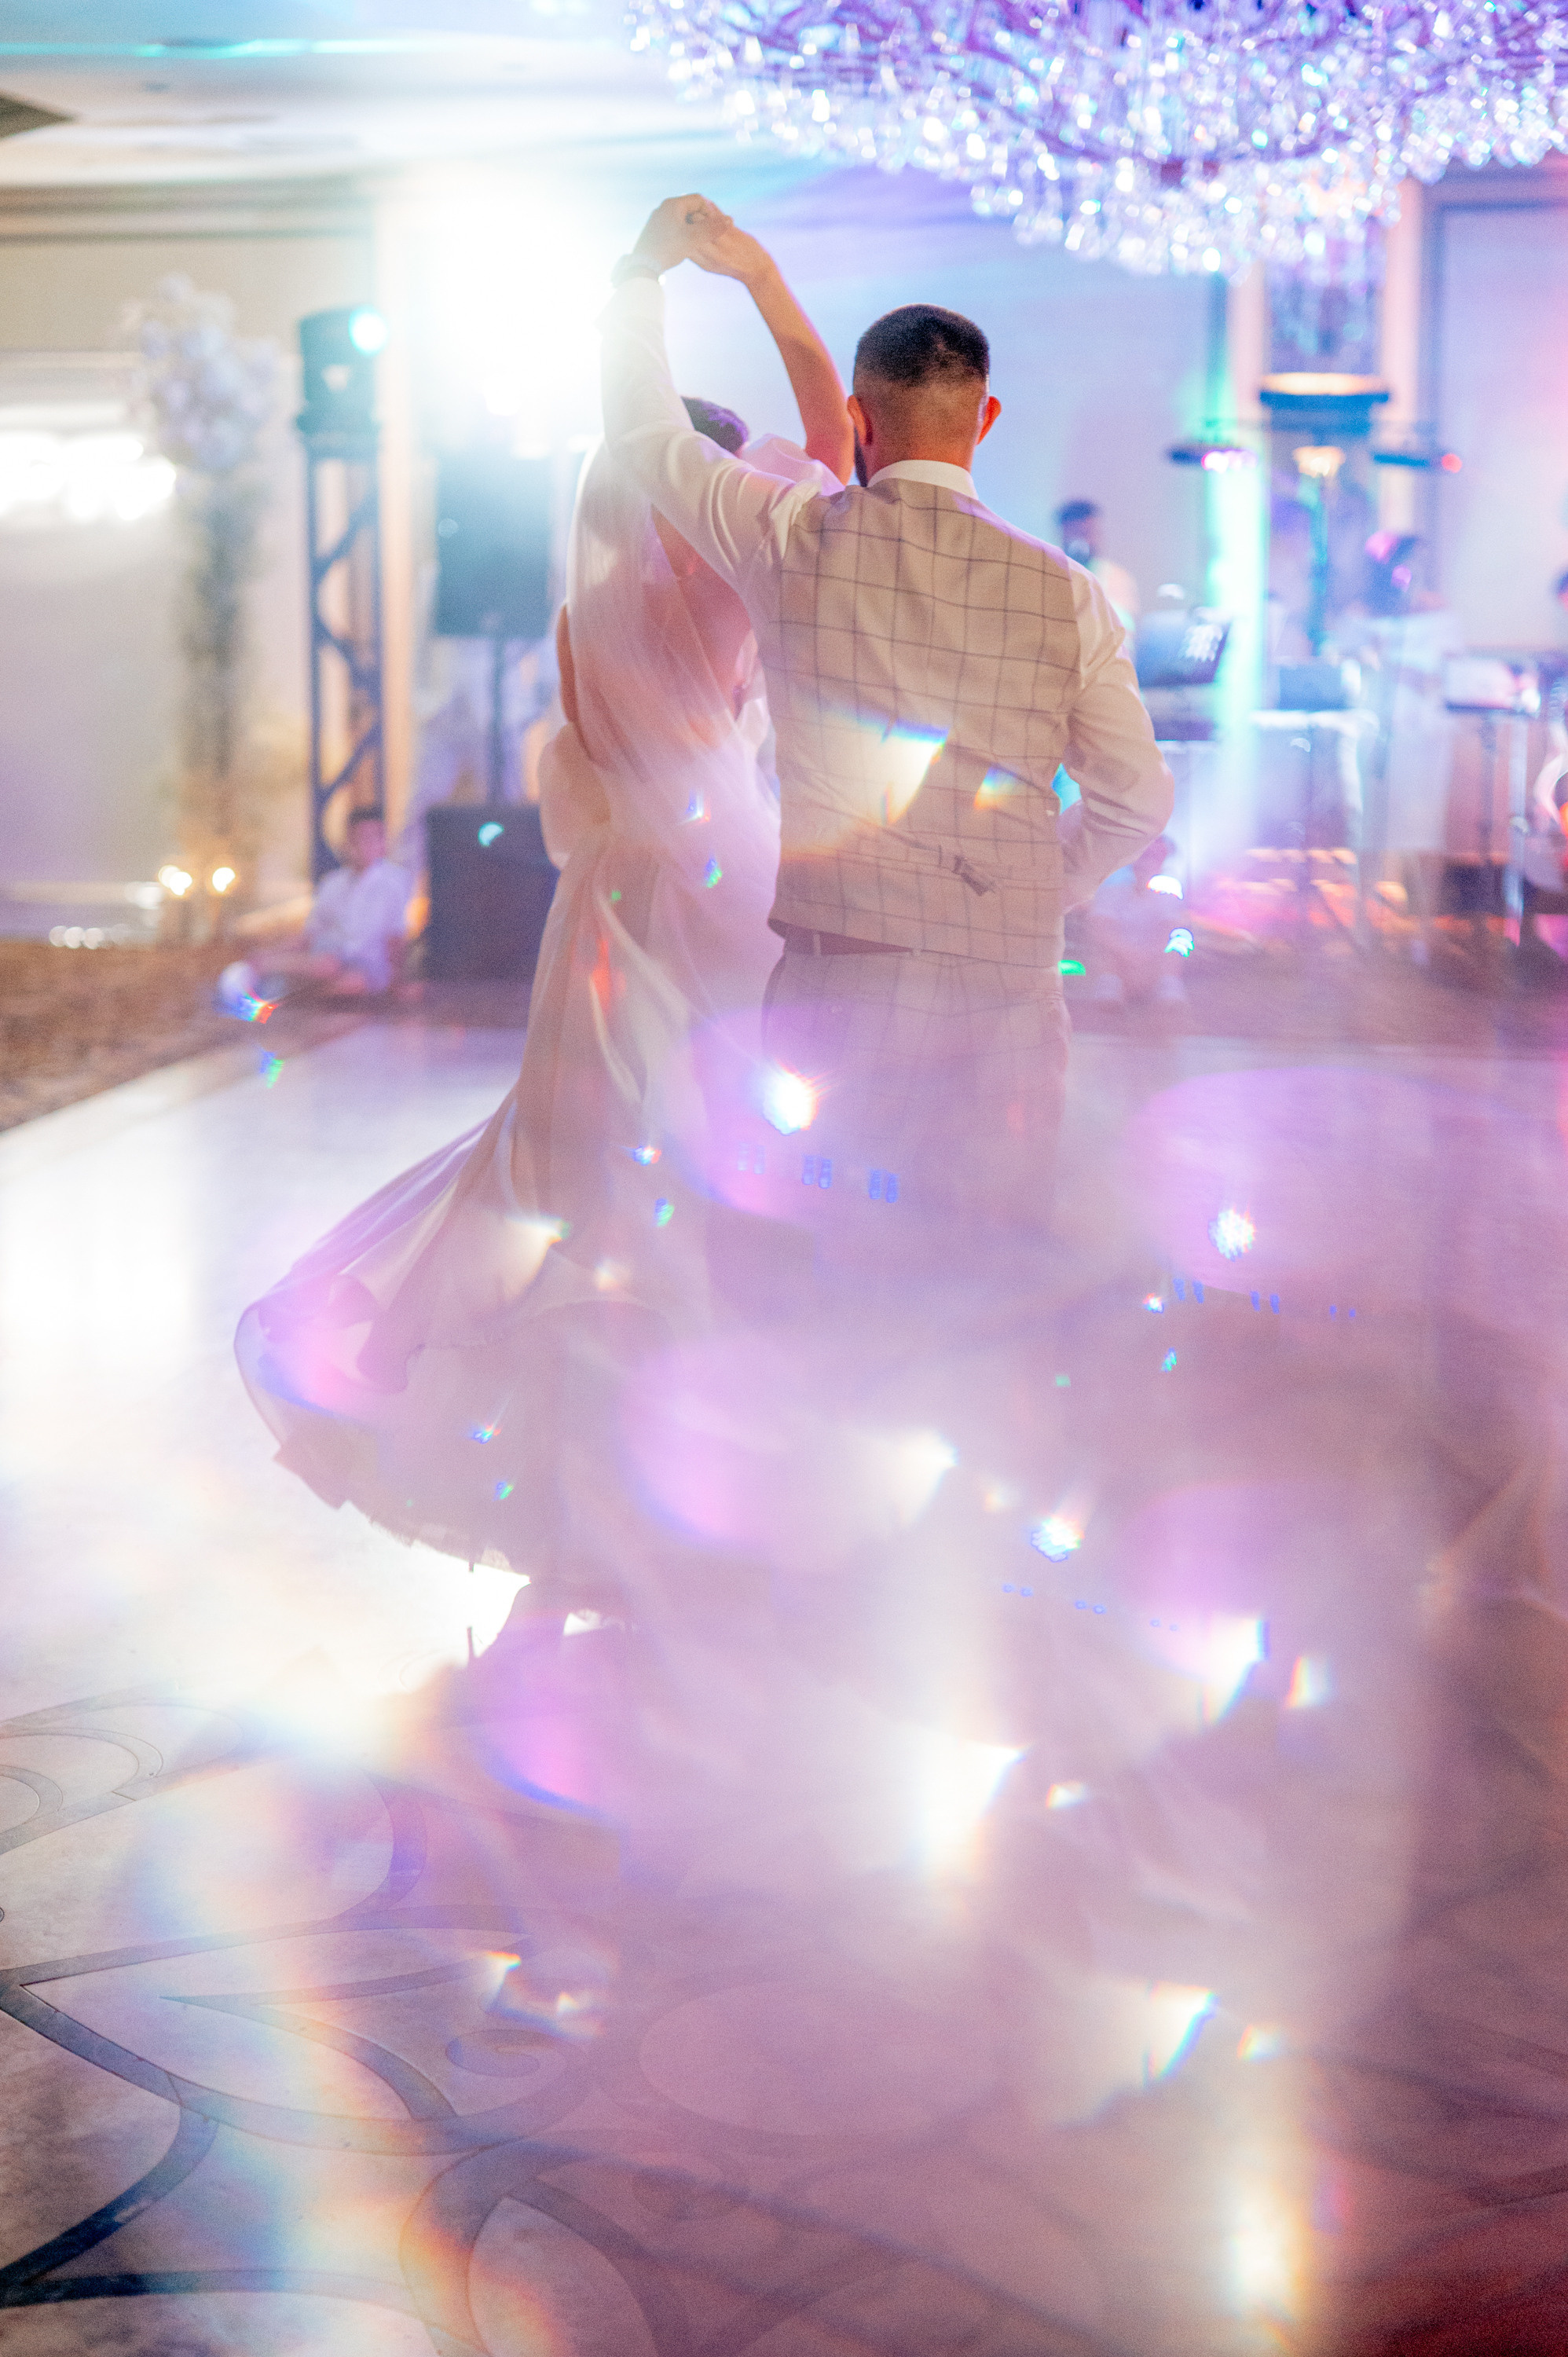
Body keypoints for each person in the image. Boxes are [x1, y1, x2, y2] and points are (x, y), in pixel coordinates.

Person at [236, 233, 852, 1594]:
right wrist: (751, 281)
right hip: (731, 878)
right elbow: (831, 426)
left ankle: (580, 1500)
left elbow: (573, 763)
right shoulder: (744, 567)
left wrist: (635, 286)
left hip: (618, 886)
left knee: (573, 1161)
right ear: (714, 473)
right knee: (709, 1163)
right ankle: (698, 1492)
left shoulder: (590, 612)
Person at [601, 196, 1172, 1275]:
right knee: (989, 1272)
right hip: (1006, 986)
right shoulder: (1074, 596)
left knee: (835, 1269)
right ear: (986, 418)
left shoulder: (786, 532)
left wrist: (642, 277)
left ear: (862, 420)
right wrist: (1035, 891)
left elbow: (642, 436)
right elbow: (1138, 800)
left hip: (841, 982)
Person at [216, 806, 409, 1014]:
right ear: (348, 842)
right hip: (326, 960)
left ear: (383, 842)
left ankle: (278, 988)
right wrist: (273, 952)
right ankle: (265, 972)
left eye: (373, 838)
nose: (366, 845)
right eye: (360, 838)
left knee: (348, 982)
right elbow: (308, 936)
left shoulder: (394, 883)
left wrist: (398, 983)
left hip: (369, 967)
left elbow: (395, 940)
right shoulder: (333, 884)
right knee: (326, 966)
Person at [1055, 497, 1140, 633]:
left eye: (1088, 533)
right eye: (1076, 534)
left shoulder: (1117, 578)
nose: (1084, 541)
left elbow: (1123, 627)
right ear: (1062, 534)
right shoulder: (1047, 573)